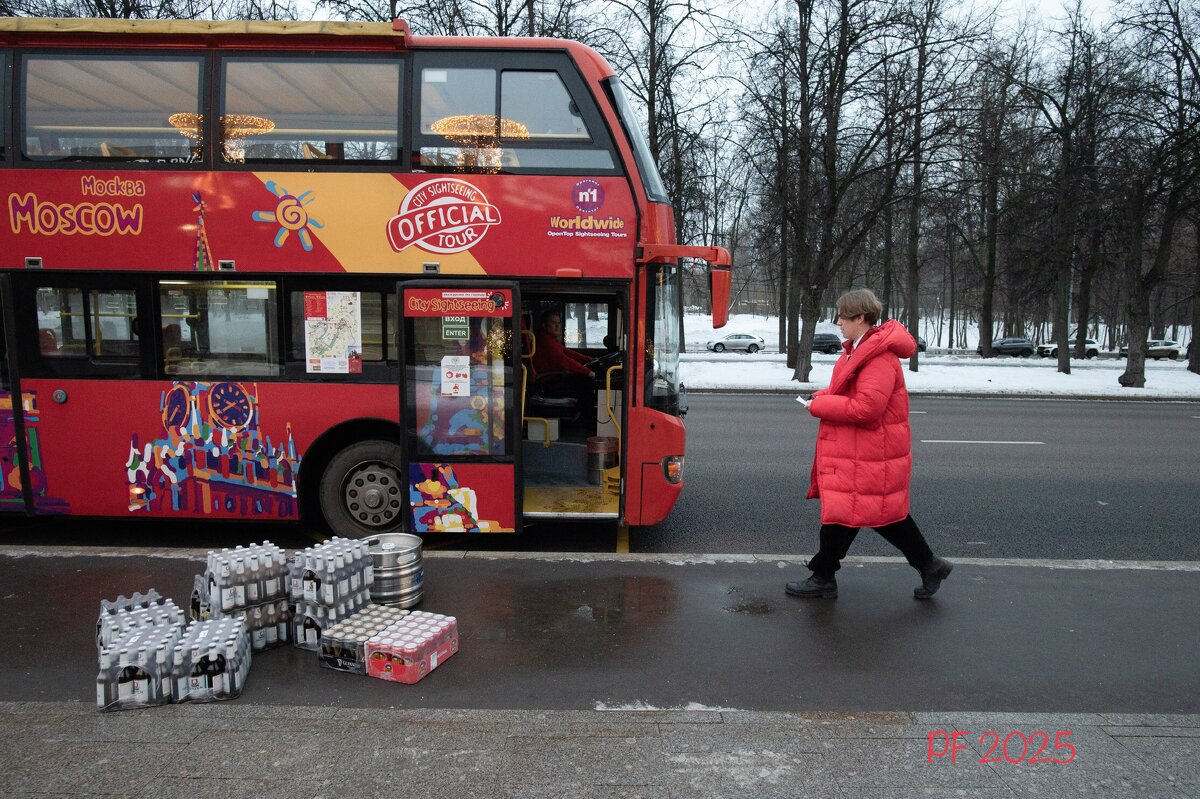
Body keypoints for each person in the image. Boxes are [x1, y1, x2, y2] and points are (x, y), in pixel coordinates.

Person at [788, 288, 952, 600]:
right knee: (879, 516)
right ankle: (930, 565)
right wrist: (820, 396)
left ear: (860, 318)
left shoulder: (878, 358)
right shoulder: (859, 351)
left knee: (846, 514)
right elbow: (848, 392)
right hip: (863, 451)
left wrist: (819, 408)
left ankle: (823, 576)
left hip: (869, 452)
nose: (838, 322)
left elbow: (867, 408)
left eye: (843, 316)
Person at [532, 312, 595, 418]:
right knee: (587, 384)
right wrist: (588, 372)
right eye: (553, 323)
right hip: (548, 384)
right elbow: (563, 360)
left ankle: (578, 415)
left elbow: (566, 352)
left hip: (554, 379)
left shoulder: (549, 339)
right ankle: (581, 419)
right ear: (544, 325)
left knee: (582, 381)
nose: (557, 326)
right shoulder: (544, 341)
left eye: (558, 323)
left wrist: (591, 359)